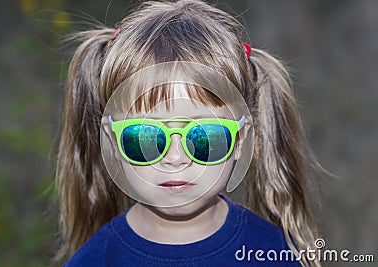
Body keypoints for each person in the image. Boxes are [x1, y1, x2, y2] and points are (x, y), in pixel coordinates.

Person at [55, 0, 322, 266]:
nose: (175, 158)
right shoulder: (94, 261)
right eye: (147, 138)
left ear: (240, 140)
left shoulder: (273, 253)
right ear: (113, 142)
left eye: (203, 137)